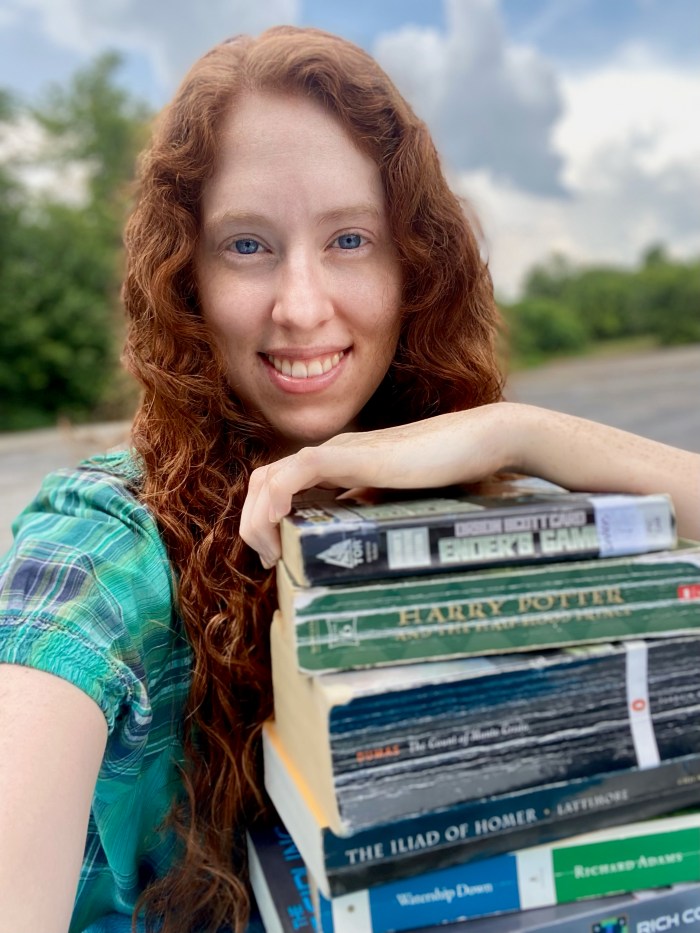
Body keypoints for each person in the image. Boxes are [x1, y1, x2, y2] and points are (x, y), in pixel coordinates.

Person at [0, 25, 698, 933]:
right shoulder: (103, 545)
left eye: (350, 238)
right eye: (247, 246)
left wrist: (517, 435)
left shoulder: (454, 497)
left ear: (415, 264)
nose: (300, 306)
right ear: (188, 282)